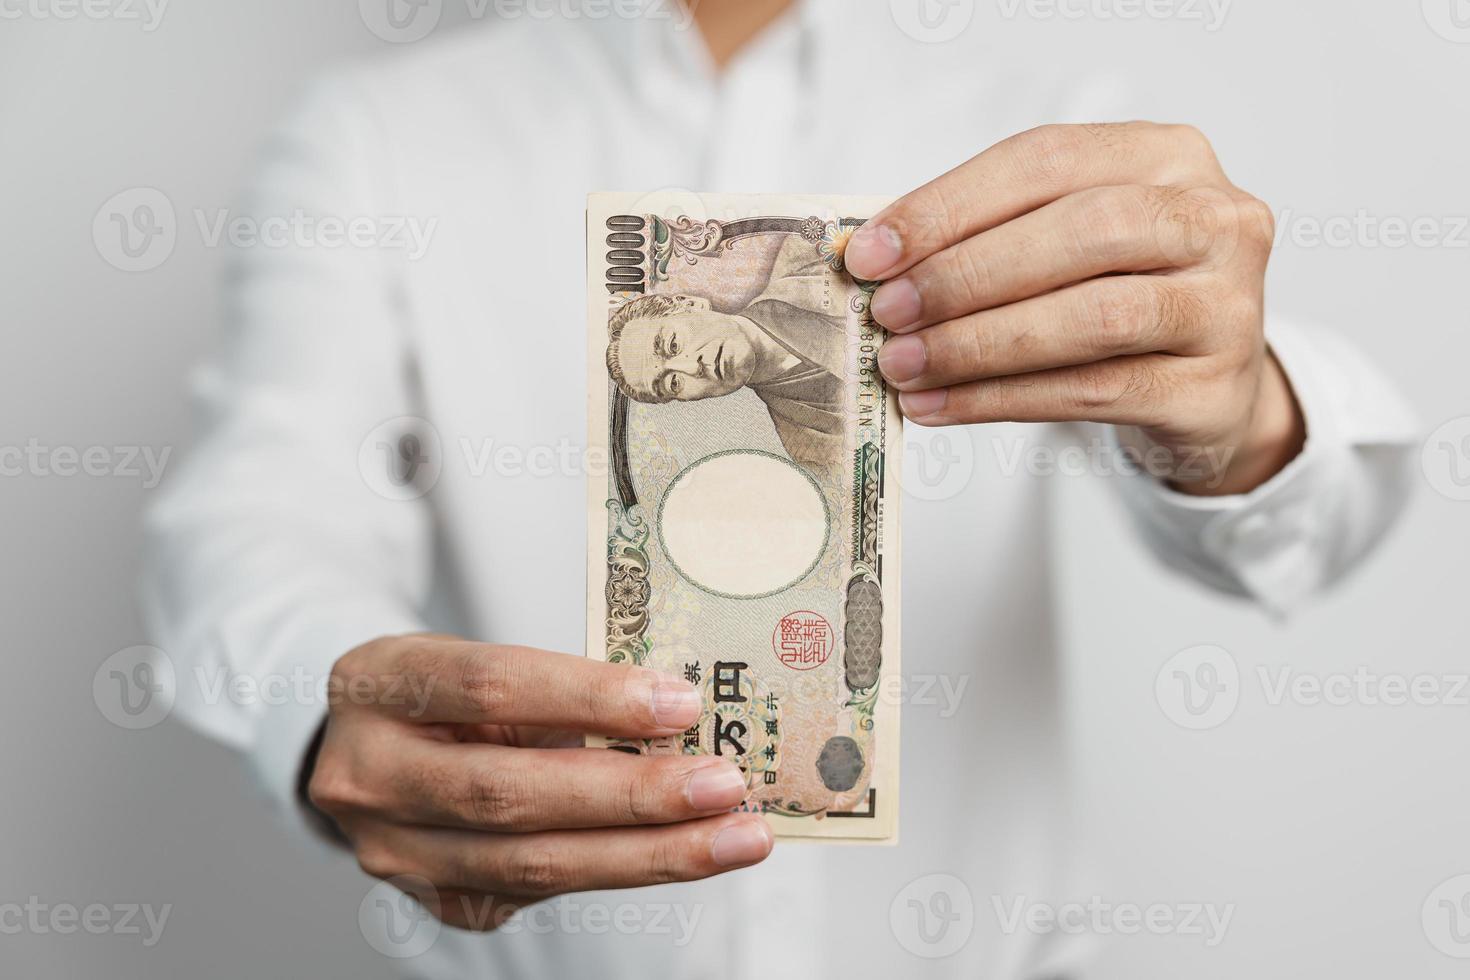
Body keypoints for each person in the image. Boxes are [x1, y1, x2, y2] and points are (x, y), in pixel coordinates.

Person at [142, 1, 1416, 977]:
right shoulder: (379, 138)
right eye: (676, 369)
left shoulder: (1040, 120)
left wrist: (1237, 410)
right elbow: (263, 508)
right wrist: (322, 706)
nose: (696, 362)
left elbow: (1305, 522)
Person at [607, 234, 849, 466]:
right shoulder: (810, 445)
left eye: (673, 345)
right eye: (673, 383)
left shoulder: (808, 253)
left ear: (691, 304)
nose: (693, 367)